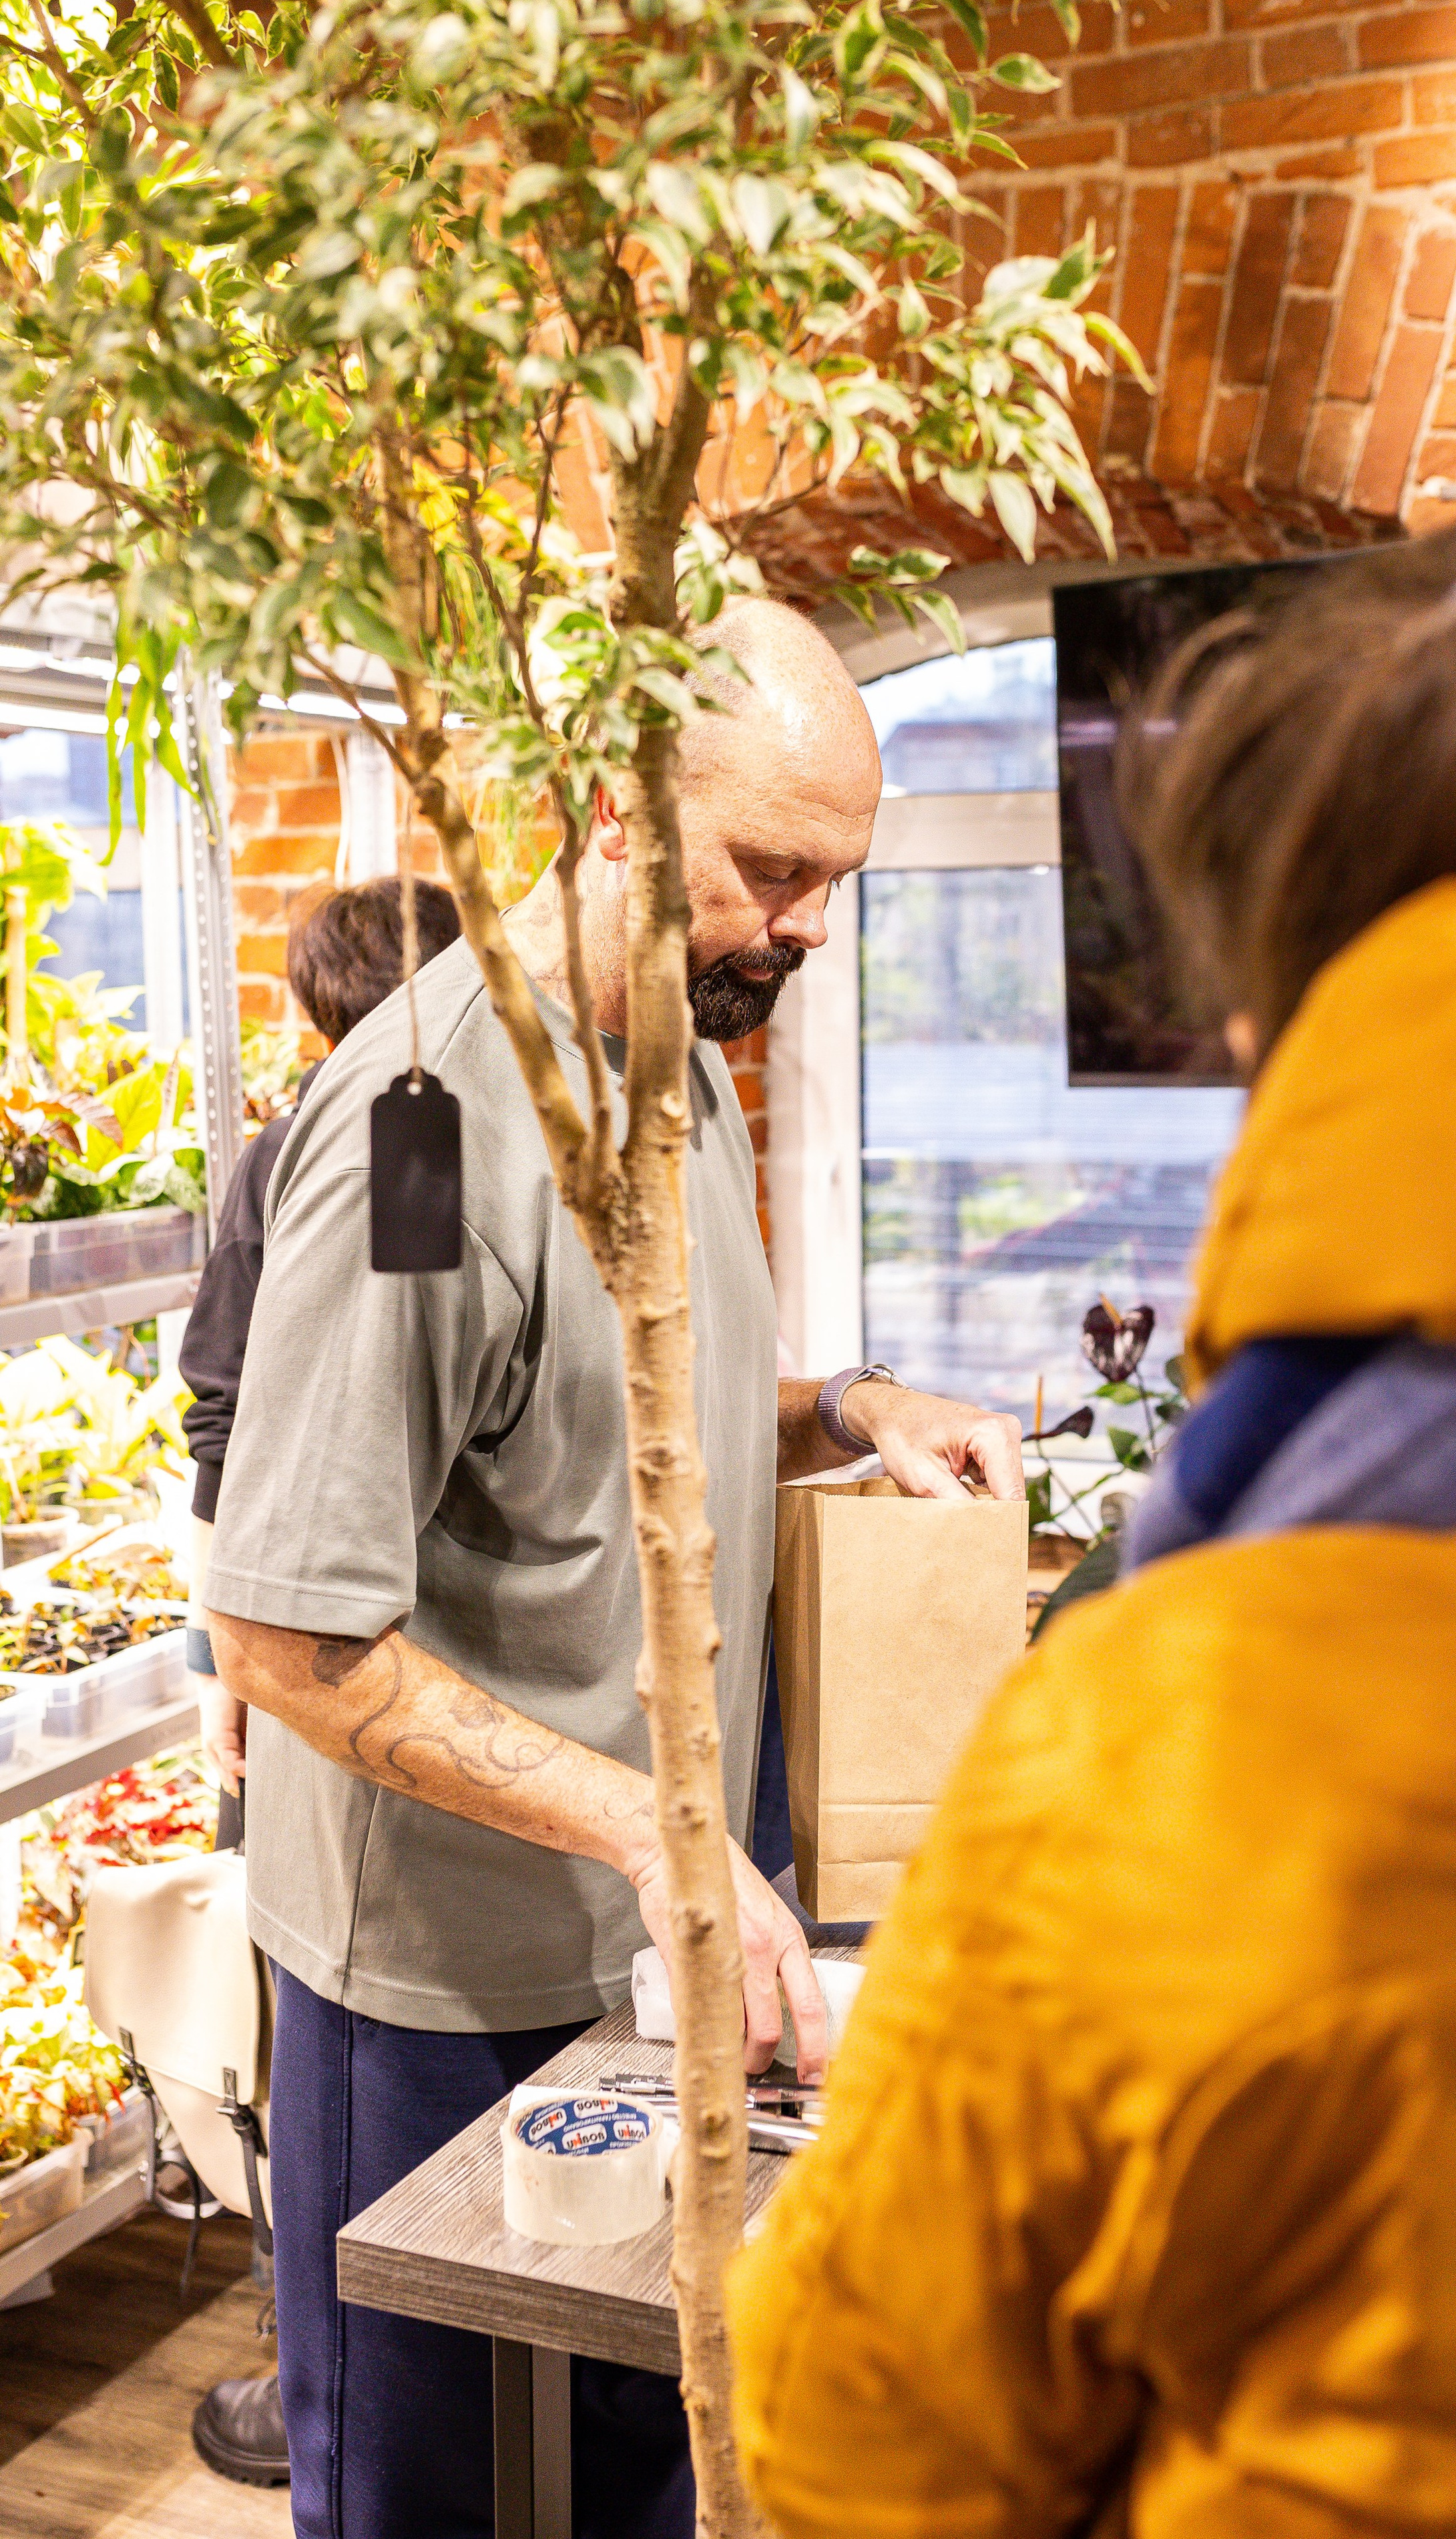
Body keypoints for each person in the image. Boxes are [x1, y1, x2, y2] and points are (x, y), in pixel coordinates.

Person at [728, 519, 1456, 2538]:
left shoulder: (1178, 1733)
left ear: (1275, 1020)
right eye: (780, 873)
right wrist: (854, 1398)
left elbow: (861, 2447)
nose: (807, 932)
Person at [200, 597, 1025, 2539]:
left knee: (648, 2467)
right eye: (773, 869)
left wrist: (853, 1407)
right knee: (439, 2503)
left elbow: (618, 1424)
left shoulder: (680, 1049)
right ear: (608, 810)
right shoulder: (420, 1137)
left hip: (649, 1953)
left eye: (836, 883)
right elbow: (285, 1635)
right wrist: (658, 1835)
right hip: (444, 1990)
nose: (806, 927)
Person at [180, 872, 463, 2489]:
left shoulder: (308, 1146)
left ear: (313, 1011)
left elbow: (220, 1417)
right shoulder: (440, 1139)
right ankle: (354, 2367)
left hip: (318, 1648)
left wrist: (222, 1647)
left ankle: (319, 2371)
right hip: (397, 1647)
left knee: (312, 2005)